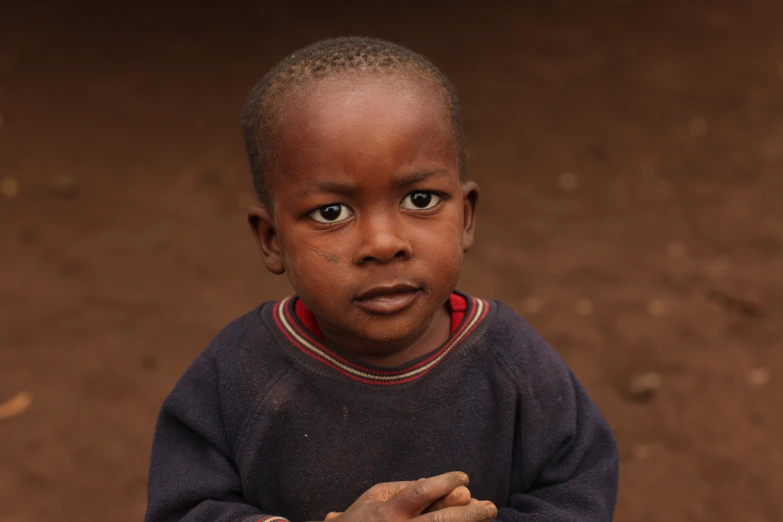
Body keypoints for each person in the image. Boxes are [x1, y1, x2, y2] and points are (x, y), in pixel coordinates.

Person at [144, 36, 619, 522]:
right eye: (332, 211)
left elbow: (580, 489)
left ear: (467, 217)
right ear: (271, 241)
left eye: (420, 199)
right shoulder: (237, 375)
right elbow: (183, 509)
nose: (383, 242)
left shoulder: (516, 364)